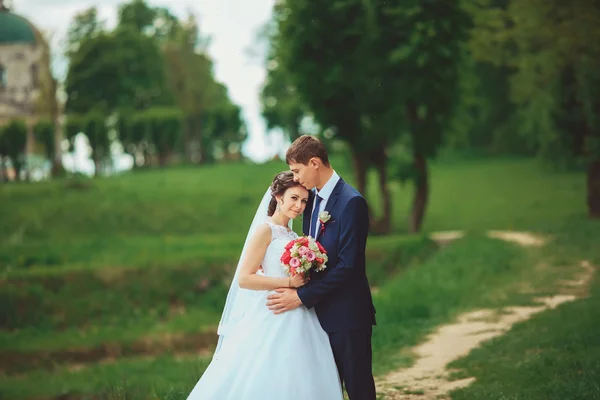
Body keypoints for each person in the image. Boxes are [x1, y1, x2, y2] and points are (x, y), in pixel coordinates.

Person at [186, 171, 344, 400]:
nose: (299, 206)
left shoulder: (294, 235)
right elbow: (245, 278)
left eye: (303, 201)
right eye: (293, 198)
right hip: (274, 310)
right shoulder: (265, 230)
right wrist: (288, 282)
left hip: (300, 311)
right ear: (278, 197)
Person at [266, 135, 377, 400]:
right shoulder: (311, 201)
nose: (295, 177)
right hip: (316, 318)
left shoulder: (351, 202)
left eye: (296, 170)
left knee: (358, 388)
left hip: (347, 315)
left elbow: (348, 266)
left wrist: (301, 296)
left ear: (314, 163)